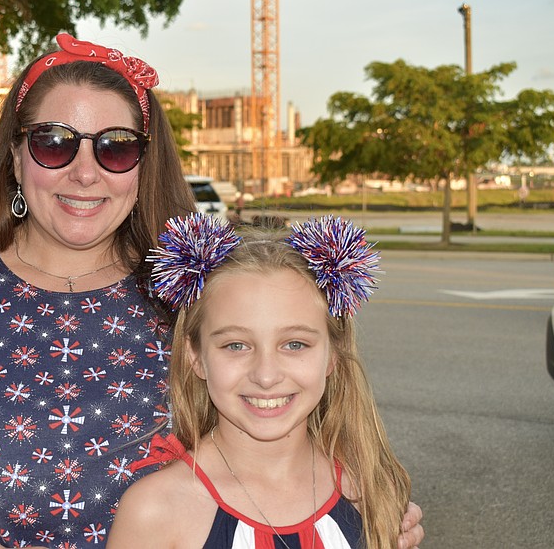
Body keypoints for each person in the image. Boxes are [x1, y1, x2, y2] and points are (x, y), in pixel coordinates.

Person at [0, 34, 423, 548]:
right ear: (14, 153)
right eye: (56, 142)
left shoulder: (194, 291)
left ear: (143, 163)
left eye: (115, 147)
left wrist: (347, 517)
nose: (86, 172)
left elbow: (298, 414)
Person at [109, 215, 413, 549]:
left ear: (333, 354)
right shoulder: (157, 511)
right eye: (236, 345)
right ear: (195, 356)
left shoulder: (369, 490)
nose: (266, 376)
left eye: (294, 344)